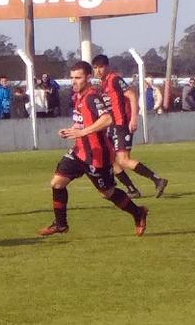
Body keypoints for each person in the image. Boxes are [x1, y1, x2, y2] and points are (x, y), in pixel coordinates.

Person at [38, 61, 148, 237]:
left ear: (88, 78)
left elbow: (107, 119)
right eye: (72, 78)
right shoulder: (78, 97)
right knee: (57, 183)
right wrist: (70, 130)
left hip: (97, 155)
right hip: (79, 152)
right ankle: (60, 224)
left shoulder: (92, 96)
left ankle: (138, 213)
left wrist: (81, 132)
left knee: (108, 193)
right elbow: (82, 121)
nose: (74, 81)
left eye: (78, 78)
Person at [92, 55, 168, 199]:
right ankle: (132, 189)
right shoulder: (103, 84)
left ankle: (157, 180)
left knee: (123, 159)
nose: (98, 70)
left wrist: (133, 118)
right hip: (112, 125)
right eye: (95, 68)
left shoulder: (114, 79)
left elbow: (132, 95)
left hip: (122, 123)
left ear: (107, 67)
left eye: (101, 67)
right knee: (111, 159)